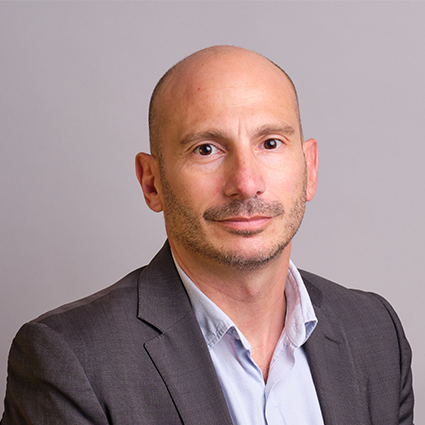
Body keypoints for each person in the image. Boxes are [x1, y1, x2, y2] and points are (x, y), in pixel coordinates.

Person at [1, 46, 414, 425]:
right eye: (206, 149)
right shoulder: (71, 360)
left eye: (270, 143)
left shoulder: (375, 332)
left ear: (310, 169)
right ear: (151, 182)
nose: (246, 184)